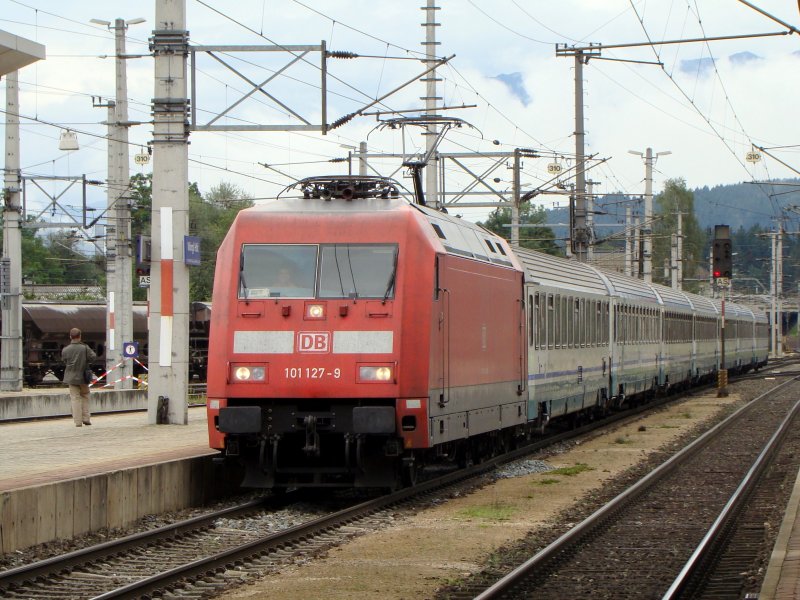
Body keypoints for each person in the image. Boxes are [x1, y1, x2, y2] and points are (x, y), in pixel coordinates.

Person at [61, 327, 96, 427]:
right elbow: (93, 357)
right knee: (85, 395)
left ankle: (77, 422)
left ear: (70, 337)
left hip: (71, 378)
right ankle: (86, 418)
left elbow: (64, 360)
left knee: (75, 398)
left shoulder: (66, 349)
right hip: (83, 377)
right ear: (80, 336)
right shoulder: (85, 348)